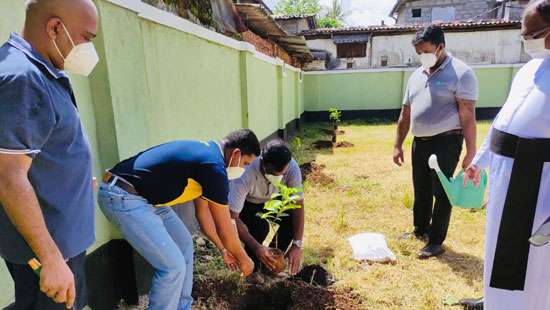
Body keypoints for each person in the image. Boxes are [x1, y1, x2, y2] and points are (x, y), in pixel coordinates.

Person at [0, 0, 99, 309]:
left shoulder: (44, 71)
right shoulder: (23, 78)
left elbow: (44, 150)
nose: (89, 48)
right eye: (87, 37)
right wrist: (50, 259)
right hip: (48, 253)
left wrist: (76, 181)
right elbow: (8, 175)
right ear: (56, 28)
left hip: (62, 244)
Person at [97, 129, 259, 310]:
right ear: (235, 153)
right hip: (123, 196)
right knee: (172, 267)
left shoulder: (208, 158)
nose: (243, 170)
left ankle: (183, 306)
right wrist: (244, 259)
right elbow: (224, 227)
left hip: (148, 200)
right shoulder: (213, 167)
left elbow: (203, 214)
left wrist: (223, 249)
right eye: (245, 163)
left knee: (184, 245)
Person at [464, 1, 550, 308]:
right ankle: (495, 302)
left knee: (532, 266)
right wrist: (479, 160)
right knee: (499, 250)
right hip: (507, 177)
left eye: (531, 33)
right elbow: (504, 121)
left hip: (538, 187)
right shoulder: (529, 69)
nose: (526, 40)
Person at [393, 25, 478, 258]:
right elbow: (405, 114)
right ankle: (420, 229)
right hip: (419, 142)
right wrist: (397, 145)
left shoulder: (461, 73)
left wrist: (471, 152)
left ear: (441, 46)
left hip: (446, 142)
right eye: (419, 53)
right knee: (421, 188)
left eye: (426, 51)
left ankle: (436, 240)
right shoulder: (416, 75)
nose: (423, 56)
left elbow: (468, 115)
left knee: (442, 192)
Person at [230, 140, 304, 275]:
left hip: (273, 199)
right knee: (260, 228)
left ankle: (271, 263)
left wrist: (297, 244)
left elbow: (298, 204)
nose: (279, 178)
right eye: (274, 174)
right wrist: (257, 248)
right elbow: (233, 217)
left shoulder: (291, 167)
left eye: (282, 174)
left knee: (290, 221)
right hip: (248, 202)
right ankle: (253, 269)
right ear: (263, 163)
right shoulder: (245, 174)